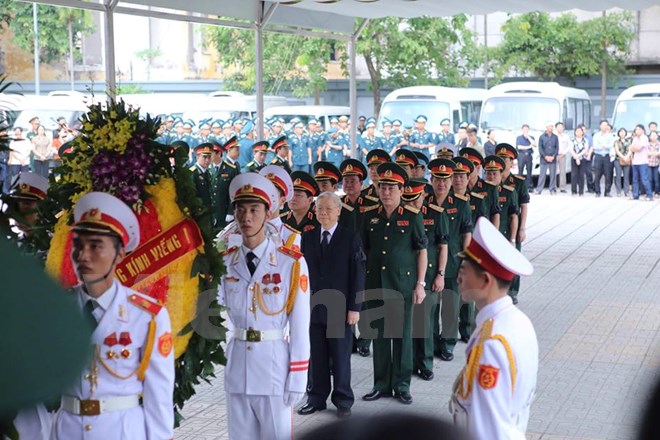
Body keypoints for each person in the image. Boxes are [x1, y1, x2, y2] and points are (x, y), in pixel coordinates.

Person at [52, 191, 174, 439]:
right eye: (78, 245)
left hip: (121, 430)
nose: (83, 256)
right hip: (66, 430)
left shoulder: (147, 315)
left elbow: (158, 393)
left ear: (119, 254)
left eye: (96, 246)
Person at [218, 173, 310, 440]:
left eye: (254, 210)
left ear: (268, 213)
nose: (246, 217)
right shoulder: (225, 262)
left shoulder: (289, 263)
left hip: (273, 369)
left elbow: (300, 325)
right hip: (238, 368)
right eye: (241, 209)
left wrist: (298, 376)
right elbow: (217, 311)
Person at [450, 217, 537, 440]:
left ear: (485, 280)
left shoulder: (492, 343)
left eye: (464, 270)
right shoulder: (517, 320)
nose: (458, 277)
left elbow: (488, 429)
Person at [360, 162, 428, 405]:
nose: (385, 192)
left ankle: (401, 385)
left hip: (402, 286)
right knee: (379, 336)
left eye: (391, 188)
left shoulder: (411, 216)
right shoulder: (369, 216)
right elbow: (363, 251)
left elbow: (421, 251)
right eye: (382, 187)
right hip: (375, 283)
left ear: (401, 190)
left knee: (401, 337)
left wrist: (420, 284)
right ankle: (381, 384)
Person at [298, 192, 366, 419]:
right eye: (319, 209)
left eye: (328, 209)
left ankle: (343, 400)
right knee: (315, 356)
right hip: (313, 308)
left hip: (340, 308)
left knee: (340, 357)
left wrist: (355, 308)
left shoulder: (350, 237)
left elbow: (358, 274)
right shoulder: (307, 238)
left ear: (338, 211)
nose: (323, 213)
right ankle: (316, 398)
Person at [426, 158, 472, 361]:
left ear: (452, 180)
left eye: (446, 179)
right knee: (431, 306)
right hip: (428, 263)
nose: (441, 184)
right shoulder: (423, 202)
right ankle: (433, 342)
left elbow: (466, 234)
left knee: (451, 306)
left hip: (453, 261)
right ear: (431, 179)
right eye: (437, 179)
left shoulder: (461, 204)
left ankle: (448, 343)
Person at [402, 178, 448, 382]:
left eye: (416, 199)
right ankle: (409, 363)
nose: (412, 203)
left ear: (423, 196)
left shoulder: (436, 215)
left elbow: (442, 247)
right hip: (405, 274)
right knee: (408, 322)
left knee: (426, 322)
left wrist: (440, 273)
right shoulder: (400, 215)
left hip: (428, 276)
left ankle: (426, 363)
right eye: (408, 199)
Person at [497, 143, 530, 305]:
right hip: (496, 228)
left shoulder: (518, 182)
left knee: (513, 260)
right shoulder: (491, 181)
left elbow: (523, 206)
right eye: (500, 158)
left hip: (512, 228)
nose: (503, 162)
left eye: (506, 159)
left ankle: (512, 290)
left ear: (512, 162)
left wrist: (522, 228)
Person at [483, 156, 519, 243]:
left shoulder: (508, 192)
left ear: (501, 174)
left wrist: (513, 239)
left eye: (495, 174)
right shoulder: (480, 193)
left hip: (503, 235)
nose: (491, 177)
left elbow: (514, 216)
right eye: (489, 174)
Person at [6, 172, 49, 238]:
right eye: (16, 208)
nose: (18, 215)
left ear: (41, 210)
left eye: (26, 208)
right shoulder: (13, 245)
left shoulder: (58, 243)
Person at [213, 136, 241, 229]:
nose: (209, 157)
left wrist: (230, 211)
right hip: (213, 212)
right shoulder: (208, 169)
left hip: (225, 211)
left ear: (218, 153)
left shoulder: (231, 169)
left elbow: (233, 190)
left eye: (211, 154)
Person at [591, 120, 616, 197]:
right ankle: (597, 192)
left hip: (607, 156)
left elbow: (611, 145)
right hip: (598, 156)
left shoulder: (610, 136)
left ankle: (607, 192)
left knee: (608, 174)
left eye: (606, 125)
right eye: (603, 125)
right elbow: (595, 146)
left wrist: (603, 146)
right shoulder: (596, 135)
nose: (604, 127)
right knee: (597, 174)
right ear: (600, 126)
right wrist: (603, 146)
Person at [630, 124, 653, 201]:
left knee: (644, 179)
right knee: (635, 179)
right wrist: (634, 148)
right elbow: (631, 148)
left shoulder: (644, 138)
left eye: (638, 129)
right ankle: (635, 195)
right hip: (635, 162)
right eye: (636, 130)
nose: (637, 131)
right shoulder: (635, 138)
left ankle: (649, 195)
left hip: (643, 161)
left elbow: (639, 148)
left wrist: (634, 148)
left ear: (643, 130)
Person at [535, 121, 559, 195]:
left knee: (553, 175)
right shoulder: (542, 137)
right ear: (546, 127)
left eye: (552, 126)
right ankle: (539, 190)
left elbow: (557, 148)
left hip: (553, 159)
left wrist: (553, 156)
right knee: (542, 175)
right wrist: (545, 156)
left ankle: (552, 189)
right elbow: (540, 148)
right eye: (549, 126)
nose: (551, 128)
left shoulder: (555, 137)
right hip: (544, 159)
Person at [190, 143, 214, 210]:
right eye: (204, 157)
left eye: (209, 157)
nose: (207, 160)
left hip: (208, 209)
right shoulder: (193, 173)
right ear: (197, 157)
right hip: (199, 211)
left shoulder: (208, 172)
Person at [570, 126, 591, 197]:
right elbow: (571, 149)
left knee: (581, 175)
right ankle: (573, 191)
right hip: (574, 158)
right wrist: (576, 158)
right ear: (575, 132)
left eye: (580, 131)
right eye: (577, 131)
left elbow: (585, 150)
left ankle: (581, 192)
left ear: (582, 132)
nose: (578, 133)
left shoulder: (585, 140)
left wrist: (578, 156)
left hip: (583, 159)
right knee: (574, 175)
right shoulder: (572, 140)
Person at [515, 124, 536, 190]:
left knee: (529, 171)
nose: (526, 131)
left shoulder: (531, 137)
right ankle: (519, 187)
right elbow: (519, 147)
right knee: (520, 171)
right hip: (521, 155)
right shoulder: (519, 138)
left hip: (529, 156)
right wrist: (528, 147)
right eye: (524, 129)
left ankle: (530, 187)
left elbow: (534, 144)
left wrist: (528, 137)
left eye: (527, 129)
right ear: (522, 130)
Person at [613, 127, 632, 197]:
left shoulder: (629, 141)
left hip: (627, 160)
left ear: (626, 133)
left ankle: (626, 192)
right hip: (618, 160)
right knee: (618, 176)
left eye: (623, 132)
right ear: (618, 133)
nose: (622, 133)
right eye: (621, 132)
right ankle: (618, 191)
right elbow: (617, 151)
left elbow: (630, 150)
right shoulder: (616, 142)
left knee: (626, 176)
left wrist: (626, 157)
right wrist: (623, 157)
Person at [555, 122, 571, 193]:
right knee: (553, 172)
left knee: (562, 171)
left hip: (563, 155)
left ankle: (562, 187)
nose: (560, 128)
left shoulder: (566, 136)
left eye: (561, 127)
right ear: (556, 128)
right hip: (554, 155)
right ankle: (553, 187)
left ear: (563, 128)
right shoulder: (553, 136)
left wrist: (564, 153)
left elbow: (569, 145)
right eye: (558, 127)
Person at [647, 130, 660, 197]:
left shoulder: (659, 144)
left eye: (655, 135)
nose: (653, 137)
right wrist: (655, 153)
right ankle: (650, 192)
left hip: (657, 164)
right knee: (649, 179)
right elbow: (646, 153)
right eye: (652, 135)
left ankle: (657, 192)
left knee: (656, 179)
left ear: (657, 136)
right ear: (650, 137)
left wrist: (652, 153)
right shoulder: (647, 144)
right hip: (648, 164)